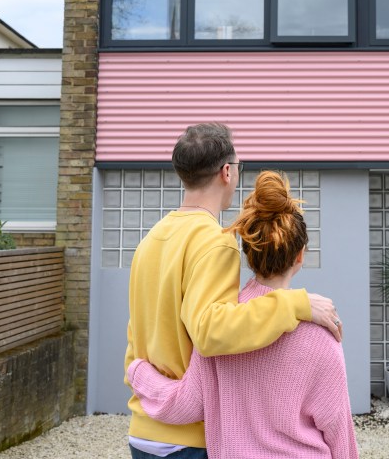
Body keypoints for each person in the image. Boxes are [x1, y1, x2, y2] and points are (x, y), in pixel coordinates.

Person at [126, 123, 342, 459]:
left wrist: (137, 373)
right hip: (187, 437)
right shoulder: (215, 241)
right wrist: (294, 303)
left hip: (143, 431)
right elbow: (212, 332)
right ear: (227, 172)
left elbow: (136, 335)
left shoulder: (150, 240)